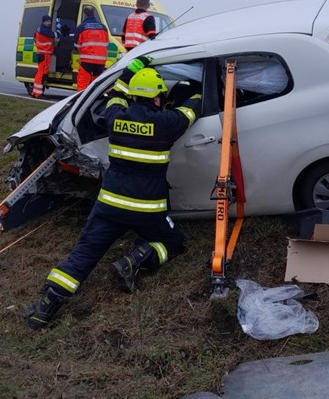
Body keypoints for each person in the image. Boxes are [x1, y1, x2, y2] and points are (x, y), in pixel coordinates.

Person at [24, 56, 202, 330]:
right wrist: (201, 86)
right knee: (173, 243)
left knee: (83, 255)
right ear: (158, 97)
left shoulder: (116, 116)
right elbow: (193, 108)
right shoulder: (168, 122)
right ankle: (135, 259)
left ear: (134, 96)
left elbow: (115, 93)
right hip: (147, 210)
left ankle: (45, 309)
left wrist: (132, 68)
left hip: (109, 206)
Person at [74, 6, 109, 91]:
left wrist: (83, 51)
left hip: (86, 60)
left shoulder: (81, 27)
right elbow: (106, 43)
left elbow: (76, 45)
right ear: (94, 14)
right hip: (100, 61)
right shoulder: (103, 27)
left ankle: (81, 98)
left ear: (84, 15)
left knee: (83, 83)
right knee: (96, 85)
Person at [31, 15, 55, 98]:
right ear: (43, 22)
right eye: (47, 21)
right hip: (44, 54)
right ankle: (38, 94)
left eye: (50, 21)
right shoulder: (44, 30)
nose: (49, 23)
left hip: (43, 54)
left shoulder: (40, 30)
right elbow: (52, 35)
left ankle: (36, 92)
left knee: (42, 74)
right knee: (41, 74)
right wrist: (59, 32)